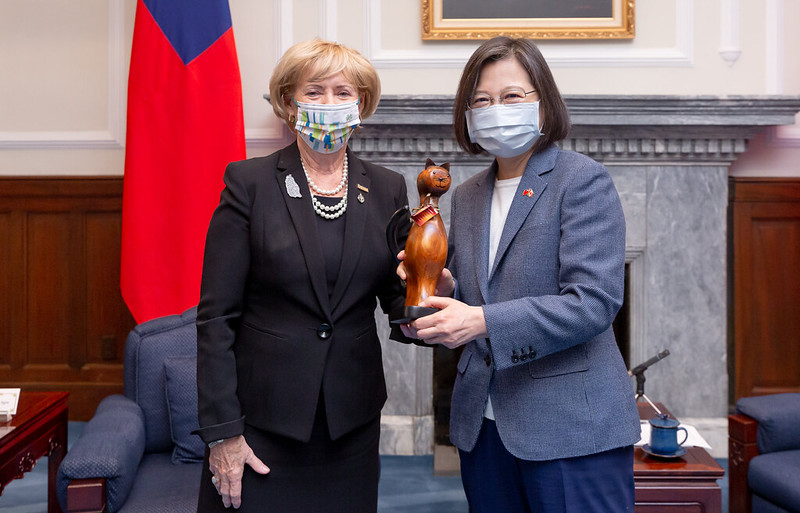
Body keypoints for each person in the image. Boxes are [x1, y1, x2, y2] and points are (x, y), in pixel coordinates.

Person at [398, 36, 641, 512]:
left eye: (512, 96)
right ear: (467, 114)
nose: (496, 110)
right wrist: (442, 288)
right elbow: (478, 290)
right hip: (483, 426)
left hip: (571, 428)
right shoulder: (466, 195)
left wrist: (481, 320)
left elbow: (593, 302)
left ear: (543, 103)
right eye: (482, 100)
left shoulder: (581, 179)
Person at [194, 39, 415, 512]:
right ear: (289, 103)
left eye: (343, 92)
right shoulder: (249, 184)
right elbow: (216, 319)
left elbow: (398, 301)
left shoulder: (387, 188)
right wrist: (223, 433)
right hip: (260, 426)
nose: (329, 104)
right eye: (314, 92)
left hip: (350, 426)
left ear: (361, 105)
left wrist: (432, 294)